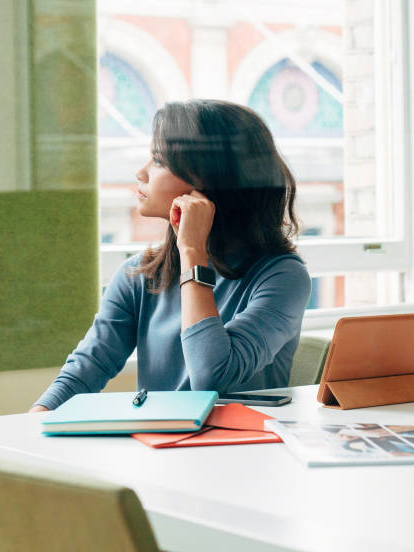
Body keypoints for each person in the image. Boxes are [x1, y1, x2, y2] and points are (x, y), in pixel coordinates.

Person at [31, 100, 311, 411]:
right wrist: (36, 419)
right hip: (158, 450)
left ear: (210, 181)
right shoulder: (139, 274)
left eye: (158, 161)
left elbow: (211, 378)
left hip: (242, 452)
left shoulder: (283, 277)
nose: (141, 172)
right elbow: (88, 368)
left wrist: (192, 252)